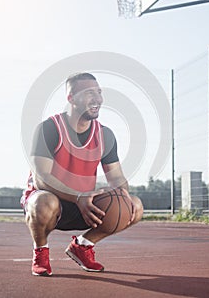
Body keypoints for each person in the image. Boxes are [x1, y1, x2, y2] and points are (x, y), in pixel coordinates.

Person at [21, 72, 143, 276]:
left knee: (134, 206)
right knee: (43, 202)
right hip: (53, 201)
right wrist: (77, 197)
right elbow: (42, 178)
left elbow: (117, 178)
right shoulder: (49, 128)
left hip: (85, 204)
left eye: (99, 92)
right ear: (71, 99)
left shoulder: (105, 134)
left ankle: (83, 245)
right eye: (89, 93)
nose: (97, 99)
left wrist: (121, 193)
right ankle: (40, 250)